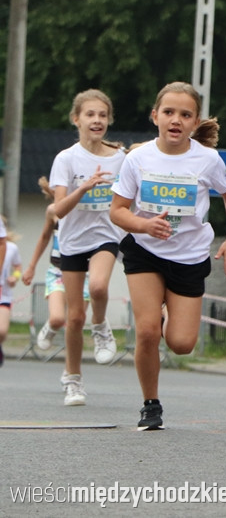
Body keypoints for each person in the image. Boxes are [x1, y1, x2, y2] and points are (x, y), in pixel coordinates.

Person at [110, 82, 226, 431]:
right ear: (155, 116)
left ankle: (167, 306)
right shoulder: (137, 159)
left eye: (185, 114)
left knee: (182, 344)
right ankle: (150, 403)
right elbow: (118, 211)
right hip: (145, 253)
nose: (176, 120)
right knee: (148, 331)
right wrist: (142, 225)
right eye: (169, 112)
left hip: (188, 257)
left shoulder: (207, 159)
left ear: (195, 122)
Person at [49, 89, 126, 406]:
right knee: (74, 317)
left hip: (106, 235)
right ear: (76, 119)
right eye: (90, 115)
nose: (97, 120)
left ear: (109, 120)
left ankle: (101, 325)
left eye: (102, 115)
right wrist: (84, 186)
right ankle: (73, 379)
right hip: (72, 241)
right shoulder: (66, 159)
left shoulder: (121, 158)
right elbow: (59, 210)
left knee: (98, 286)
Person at [22, 177, 92, 352]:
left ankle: (71, 362)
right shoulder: (53, 211)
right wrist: (31, 266)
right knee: (57, 318)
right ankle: (51, 327)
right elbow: (44, 237)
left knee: (76, 321)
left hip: (83, 273)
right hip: (58, 271)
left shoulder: (88, 212)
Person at [0, 224, 18, 368]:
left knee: (2, 331)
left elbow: (18, 267)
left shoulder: (11, 248)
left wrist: (15, 277)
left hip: (4, 295)